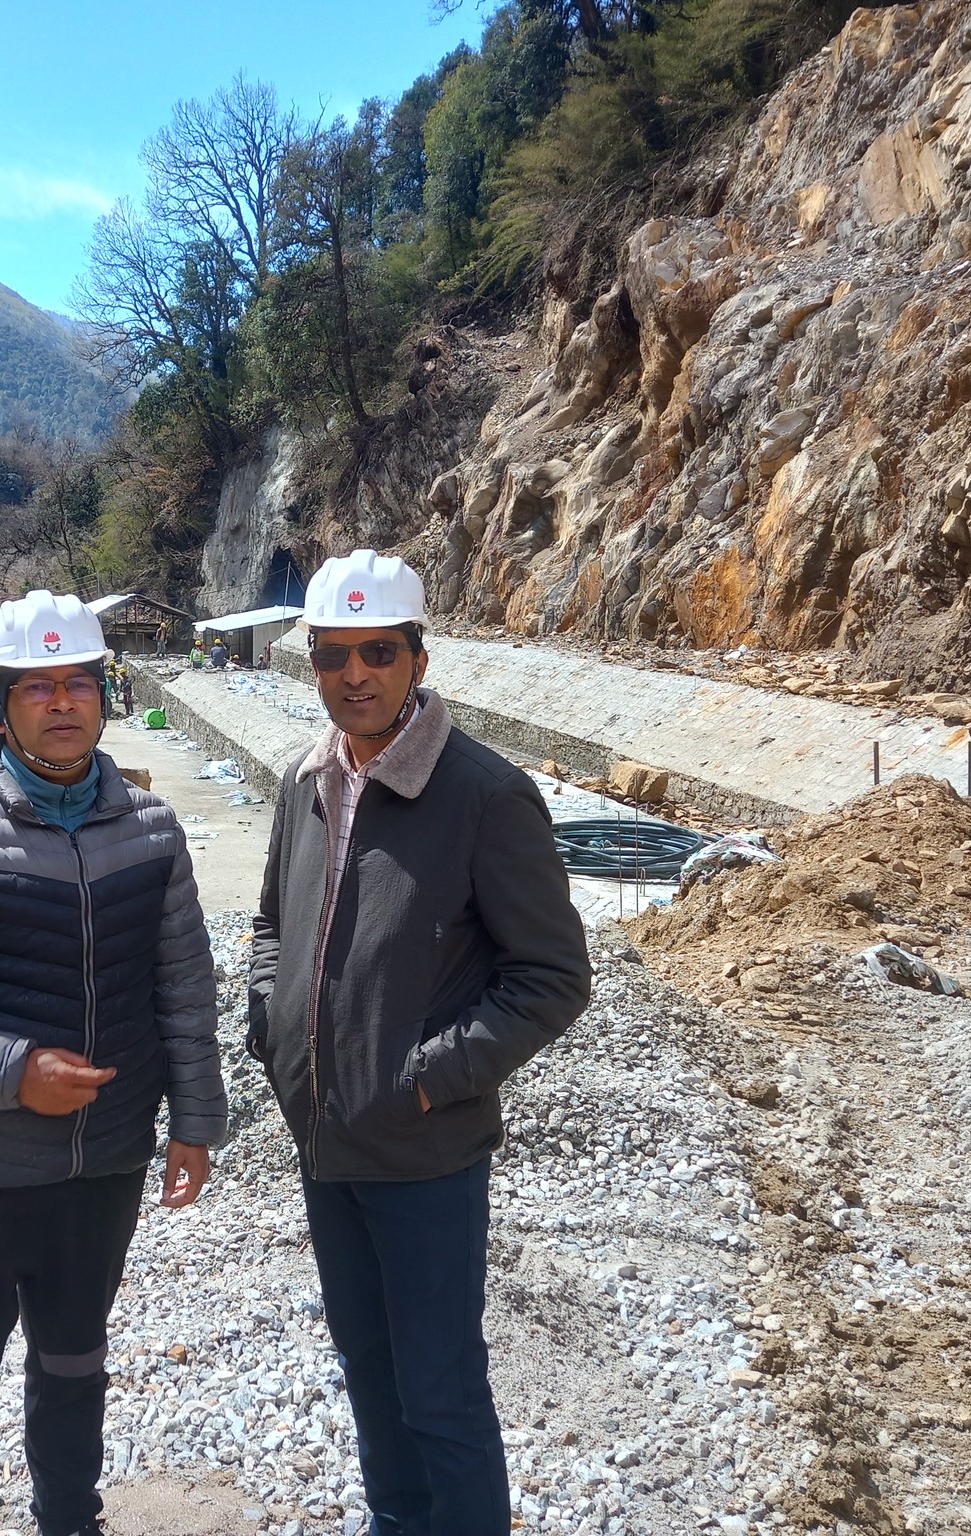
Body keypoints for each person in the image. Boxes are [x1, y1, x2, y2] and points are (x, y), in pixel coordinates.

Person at [0, 589, 227, 1536]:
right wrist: (12, 1071)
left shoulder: (152, 831)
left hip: (100, 1169)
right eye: (37, 686)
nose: (63, 702)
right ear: (1, 705)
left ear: (104, 694)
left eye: (79, 683)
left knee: (74, 1368)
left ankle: (71, 1520)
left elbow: (184, 985)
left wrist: (195, 1121)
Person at [247, 549, 591, 1536]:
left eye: (378, 653)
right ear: (311, 663)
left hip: (425, 1155)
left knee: (439, 1390)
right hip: (325, 1144)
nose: (354, 675)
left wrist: (429, 1079)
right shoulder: (305, 782)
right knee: (366, 1368)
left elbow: (551, 977)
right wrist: (270, 1024)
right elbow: (271, 927)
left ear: (418, 660)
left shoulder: (484, 796)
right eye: (332, 655)